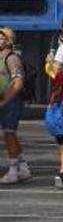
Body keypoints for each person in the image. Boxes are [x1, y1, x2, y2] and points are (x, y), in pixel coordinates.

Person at [0, 28, 32, 184]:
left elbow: (18, 83)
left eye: (1, 38)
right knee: (9, 134)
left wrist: (5, 101)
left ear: (9, 42)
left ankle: (13, 171)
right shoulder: (2, 57)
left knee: (9, 134)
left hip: (11, 102)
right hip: (5, 101)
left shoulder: (11, 58)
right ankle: (23, 168)